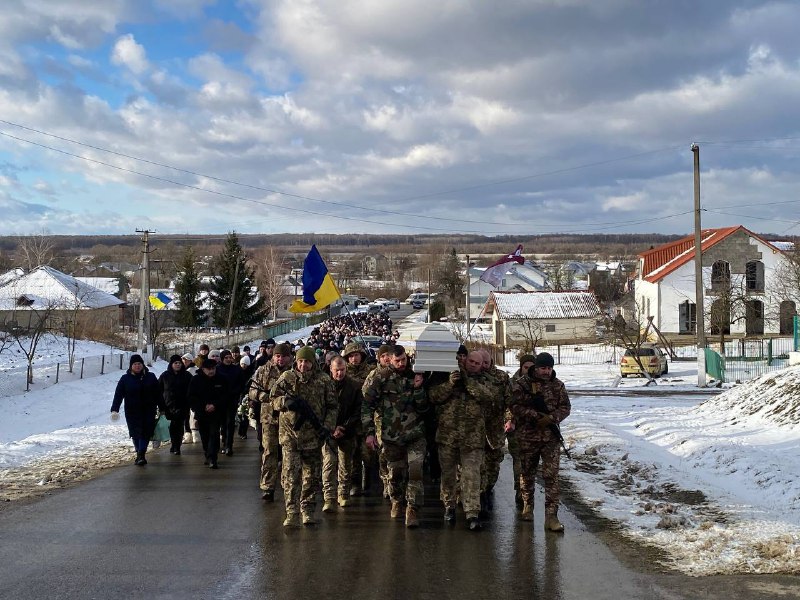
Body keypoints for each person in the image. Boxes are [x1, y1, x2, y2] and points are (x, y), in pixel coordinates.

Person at [270, 346, 337, 527]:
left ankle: (307, 510)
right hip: (290, 436)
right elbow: (272, 400)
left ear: (313, 362)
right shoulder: (287, 378)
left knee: (311, 476)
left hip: (313, 437)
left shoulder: (323, 380)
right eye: (300, 361)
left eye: (307, 361)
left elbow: (332, 406)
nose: (303, 365)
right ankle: (291, 512)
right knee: (291, 475)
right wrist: (285, 402)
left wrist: (327, 427)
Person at [362, 345, 428, 528]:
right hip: (391, 435)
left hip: (415, 433)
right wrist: (369, 433)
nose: (400, 364)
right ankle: (397, 500)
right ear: (389, 359)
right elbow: (367, 405)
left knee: (415, 472)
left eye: (403, 360)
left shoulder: (415, 375)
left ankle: (412, 508)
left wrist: (418, 388)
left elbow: (424, 408)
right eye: (397, 361)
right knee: (396, 473)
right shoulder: (380, 378)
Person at [429, 351, 493, 530]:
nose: (472, 364)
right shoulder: (446, 377)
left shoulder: (485, 380)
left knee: (472, 476)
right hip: (447, 437)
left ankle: (472, 513)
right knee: (448, 475)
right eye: (470, 361)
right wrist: (450, 384)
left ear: (482, 365)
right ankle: (449, 507)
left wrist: (466, 380)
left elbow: (487, 396)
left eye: (476, 363)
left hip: (472, 438)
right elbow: (433, 396)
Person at [508, 352, 571, 532]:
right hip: (528, 437)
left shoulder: (558, 386)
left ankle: (551, 516)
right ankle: (528, 505)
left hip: (550, 439)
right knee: (527, 473)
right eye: (543, 368)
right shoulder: (522, 385)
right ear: (536, 368)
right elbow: (514, 406)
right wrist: (534, 416)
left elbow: (566, 407)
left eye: (549, 368)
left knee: (551, 476)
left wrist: (551, 418)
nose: (546, 372)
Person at [249, 343, 293, 501]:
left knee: (288, 453)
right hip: (268, 418)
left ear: (289, 357)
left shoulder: (293, 372)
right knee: (269, 452)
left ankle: (287, 484)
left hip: (289, 419)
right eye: (278, 356)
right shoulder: (263, 370)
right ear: (273, 356)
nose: (280, 359)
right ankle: (268, 486)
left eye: (284, 356)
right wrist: (263, 396)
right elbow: (252, 390)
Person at [323, 356, 363, 511]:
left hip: (347, 431)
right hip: (328, 431)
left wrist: (344, 427)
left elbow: (357, 411)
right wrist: (331, 428)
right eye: (336, 370)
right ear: (331, 369)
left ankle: (343, 494)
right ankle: (329, 497)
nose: (339, 373)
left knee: (346, 465)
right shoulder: (324, 385)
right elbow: (321, 409)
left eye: (342, 370)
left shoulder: (354, 386)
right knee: (329, 464)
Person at [478, 348, 512, 518]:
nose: (483, 366)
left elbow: (509, 401)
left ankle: (488, 489)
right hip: (477, 429)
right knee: (479, 466)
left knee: (493, 466)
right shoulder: (473, 376)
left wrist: (509, 419)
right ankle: (480, 497)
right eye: (480, 362)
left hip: (495, 429)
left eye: (486, 362)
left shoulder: (501, 377)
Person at [110, 354, 160, 466]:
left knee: (145, 432)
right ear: (131, 366)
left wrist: (162, 407)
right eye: (135, 364)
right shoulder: (125, 379)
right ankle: (139, 452)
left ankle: (141, 454)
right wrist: (115, 409)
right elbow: (118, 394)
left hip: (148, 410)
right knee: (135, 433)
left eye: (139, 364)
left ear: (142, 365)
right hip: (132, 411)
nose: (137, 366)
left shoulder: (150, 377)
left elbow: (158, 393)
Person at [188, 359, 228, 469]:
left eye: (213, 369)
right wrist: (202, 406)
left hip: (216, 412)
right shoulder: (196, 380)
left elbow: (225, 396)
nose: (211, 371)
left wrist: (215, 405)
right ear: (203, 369)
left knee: (214, 434)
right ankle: (207, 453)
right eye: (209, 369)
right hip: (202, 413)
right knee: (205, 435)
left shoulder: (221, 379)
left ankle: (213, 458)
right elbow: (192, 397)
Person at [510, 353, 536, 507]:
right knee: (519, 461)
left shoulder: (538, 383)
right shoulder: (513, 382)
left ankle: (527, 491)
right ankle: (520, 492)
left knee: (530, 462)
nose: (528, 370)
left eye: (531, 368)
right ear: (521, 367)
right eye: (526, 367)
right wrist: (509, 419)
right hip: (516, 426)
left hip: (532, 428)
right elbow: (508, 403)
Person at [158, 354, 193, 455]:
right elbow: (158, 391)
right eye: (175, 363)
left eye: (179, 363)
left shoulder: (187, 376)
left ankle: (177, 446)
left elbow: (192, 389)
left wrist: (190, 401)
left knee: (179, 425)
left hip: (183, 406)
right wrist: (161, 406)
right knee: (173, 426)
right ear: (171, 364)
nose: (178, 365)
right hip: (168, 406)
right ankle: (174, 444)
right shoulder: (165, 376)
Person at [216, 349, 242, 457]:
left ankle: (229, 445)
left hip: (232, 399)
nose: (228, 359)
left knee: (230, 422)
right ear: (222, 359)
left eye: (229, 357)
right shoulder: (217, 369)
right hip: (220, 400)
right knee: (222, 423)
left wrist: (236, 392)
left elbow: (241, 383)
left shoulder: (236, 369)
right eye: (226, 358)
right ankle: (223, 442)